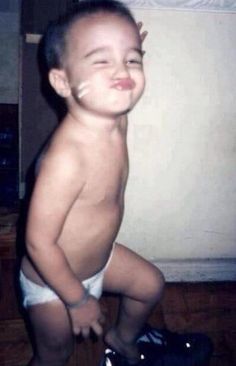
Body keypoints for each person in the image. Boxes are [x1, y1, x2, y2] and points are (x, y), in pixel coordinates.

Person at [20, 1, 165, 365]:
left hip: (100, 260)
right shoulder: (67, 159)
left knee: (150, 285)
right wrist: (78, 299)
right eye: (101, 61)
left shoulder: (114, 117)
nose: (123, 70)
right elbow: (38, 242)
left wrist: (120, 51)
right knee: (56, 352)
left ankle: (121, 336)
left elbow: (116, 80)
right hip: (54, 282)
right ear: (62, 82)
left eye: (133, 59)